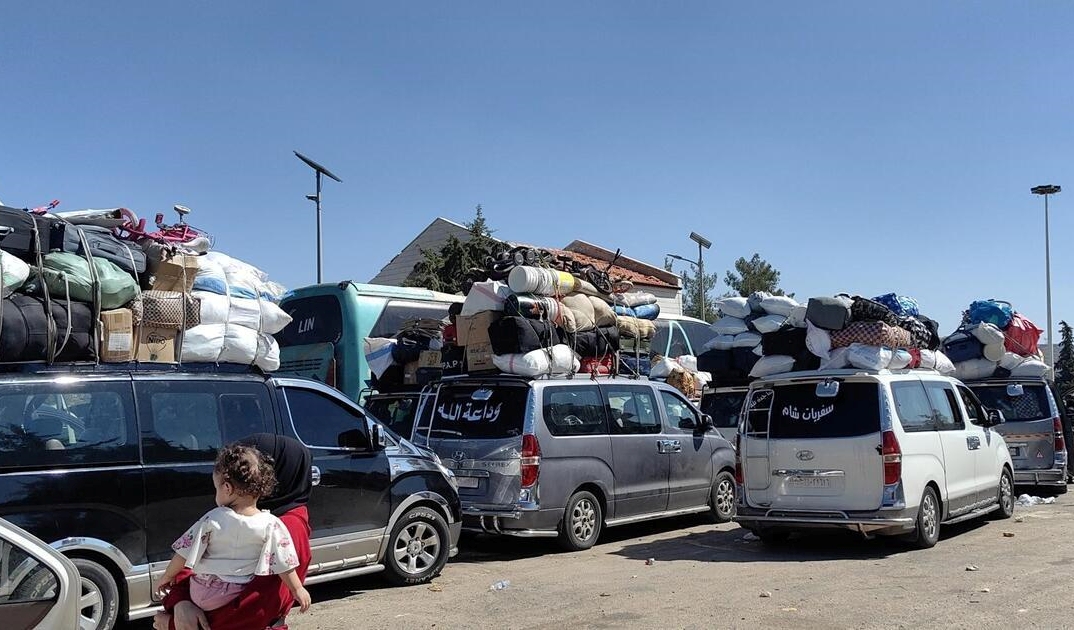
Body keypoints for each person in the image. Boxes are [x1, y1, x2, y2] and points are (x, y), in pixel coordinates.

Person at [155, 434, 313, 630]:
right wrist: (180, 602)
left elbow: (254, 610)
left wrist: (171, 623)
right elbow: (192, 561)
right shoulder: (243, 515)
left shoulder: (287, 527)